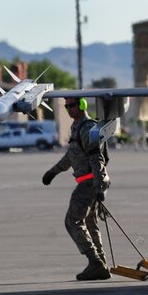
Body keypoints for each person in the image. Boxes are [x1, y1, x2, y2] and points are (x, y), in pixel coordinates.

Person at [42, 98, 111, 281]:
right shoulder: (77, 128)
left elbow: (97, 159)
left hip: (90, 183)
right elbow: (71, 156)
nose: (68, 109)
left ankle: (95, 262)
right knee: (90, 223)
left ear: (82, 105)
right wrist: (52, 172)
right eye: (66, 106)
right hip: (89, 183)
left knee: (72, 221)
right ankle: (101, 264)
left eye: (72, 105)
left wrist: (99, 186)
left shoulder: (87, 128)